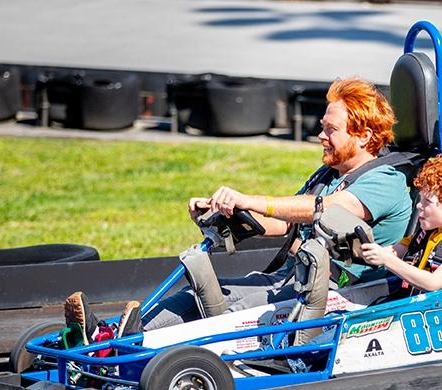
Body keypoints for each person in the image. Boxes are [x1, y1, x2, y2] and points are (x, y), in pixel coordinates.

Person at [64, 77, 413, 340]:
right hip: (294, 278)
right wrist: (226, 212)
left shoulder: (386, 180)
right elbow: (285, 224)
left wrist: (249, 198)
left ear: (364, 136)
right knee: (196, 296)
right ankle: (108, 338)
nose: (320, 135)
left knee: (237, 311)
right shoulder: (330, 173)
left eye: (330, 130)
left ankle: (130, 349)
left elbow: (326, 210)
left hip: (345, 293)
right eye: (322, 127)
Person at [360, 155, 442, 293]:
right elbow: (393, 251)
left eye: (427, 202)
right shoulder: (428, 232)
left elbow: (433, 283)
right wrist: (370, 251)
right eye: (420, 199)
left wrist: (386, 259)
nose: (419, 206)